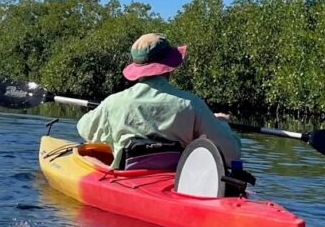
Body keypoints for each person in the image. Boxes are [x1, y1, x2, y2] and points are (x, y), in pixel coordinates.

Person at [76, 33, 242, 170]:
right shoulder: (192, 104)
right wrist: (221, 124)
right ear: (170, 65)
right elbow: (231, 155)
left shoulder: (113, 102)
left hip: (126, 179)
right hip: (177, 183)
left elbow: (84, 129)